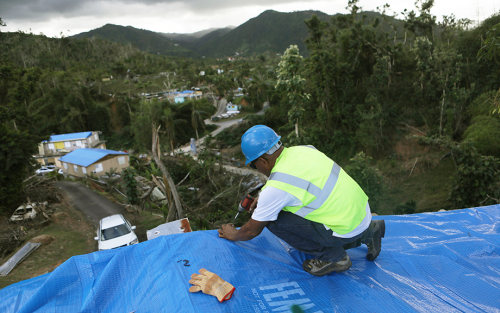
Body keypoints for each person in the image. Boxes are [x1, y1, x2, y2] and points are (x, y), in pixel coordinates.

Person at [218, 125, 386, 276]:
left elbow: (251, 231)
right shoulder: (304, 150)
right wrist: (264, 197)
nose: (256, 168)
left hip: (345, 227)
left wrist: (234, 234)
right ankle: (371, 230)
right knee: (274, 210)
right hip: (362, 214)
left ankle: (334, 258)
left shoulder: (277, 187)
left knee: (271, 220)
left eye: (253, 165)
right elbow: (294, 181)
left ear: (262, 161)